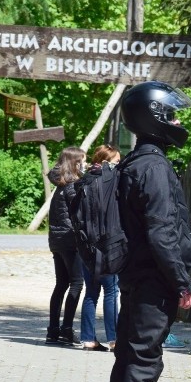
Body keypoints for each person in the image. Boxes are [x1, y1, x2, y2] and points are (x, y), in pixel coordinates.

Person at [101, 81, 191, 382]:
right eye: (171, 114)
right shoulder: (153, 167)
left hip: (137, 276)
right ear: (155, 117)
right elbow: (162, 232)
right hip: (153, 280)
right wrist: (181, 281)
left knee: (128, 356)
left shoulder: (135, 162)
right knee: (143, 360)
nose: (177, 121)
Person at [80, 144, 122, 352]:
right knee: (111, 291)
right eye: (116, 162)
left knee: (91, 293)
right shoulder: (111, 181)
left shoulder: (84, 180)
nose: (118, 166)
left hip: (86, 244)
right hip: (107, 244)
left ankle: (88, 339)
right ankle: (114, 339)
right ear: (105, 162)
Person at [45, 147, 87, 348]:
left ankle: (53, 330)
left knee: (61, 284)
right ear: (75, 162)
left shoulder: (61, 185)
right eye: (82, 161)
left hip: (56, 240)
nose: (84, 165)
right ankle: (67, 329)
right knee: (77, 283)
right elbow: (80, 216)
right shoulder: (72, 187)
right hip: (70, 241)